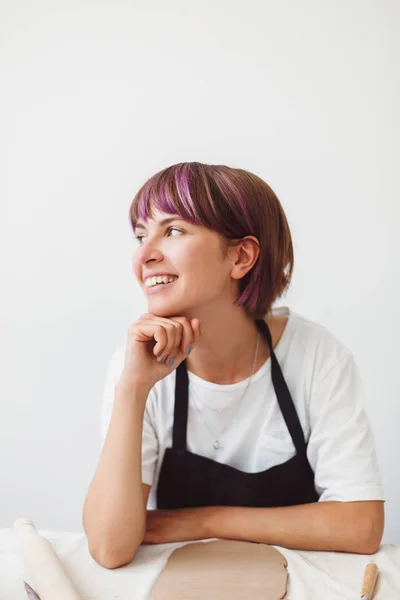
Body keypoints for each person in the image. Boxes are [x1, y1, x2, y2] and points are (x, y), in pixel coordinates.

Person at [82, 162, 385, 569]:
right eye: (140, 235)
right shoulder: (134, 364)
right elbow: (109, 547)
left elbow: (360, 526)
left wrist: (205, 520)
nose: (144, 255)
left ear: (241, 256)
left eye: (172, 231)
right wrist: (132, 389)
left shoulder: (316, 355)